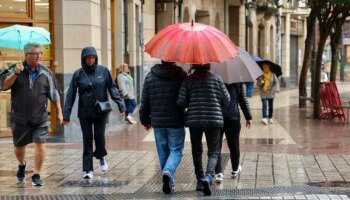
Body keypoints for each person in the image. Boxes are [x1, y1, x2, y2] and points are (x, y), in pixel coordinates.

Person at [0, 43, 63, 186]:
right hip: (20, 118)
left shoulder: (46, 72)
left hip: (40, 117)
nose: (39, 56)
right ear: (27, 55)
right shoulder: (14, 69)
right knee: (18, 147)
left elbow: (54, 94)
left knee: (40, 144)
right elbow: (3, 86)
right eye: (35, 54)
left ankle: (37, 174)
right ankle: (22, 165)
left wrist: (59, 112)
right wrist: (15, 73)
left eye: (41, 53)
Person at [63, 47, 126, 179]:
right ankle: (88, 169)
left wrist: (121, 106)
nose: (90, 60)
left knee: (99, 137)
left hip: (101, 111)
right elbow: (71, 95)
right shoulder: (78, 74)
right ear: (84, 59)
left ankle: (101, 156)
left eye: (92, 57)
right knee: (87, 140)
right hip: (84, 113)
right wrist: (66, 114)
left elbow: (112, 89)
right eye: (88, 58)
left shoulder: (103, 71)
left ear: (95, 58)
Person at [177, 64, 230, 196]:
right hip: (214, 119)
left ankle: (200, 180)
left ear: (193, 65)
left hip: (195, 120)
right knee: (213, 151)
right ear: (208, 65)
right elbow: (227, 99)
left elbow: (181, 102)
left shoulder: (188, 80)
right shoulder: (217, 79)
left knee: (197, 150)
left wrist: (192, 100)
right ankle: (208, 176)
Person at [139, 61, 187, 194]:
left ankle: (169, 181)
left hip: (158, 122)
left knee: (163, 152)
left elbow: (145, 101)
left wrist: (145, 119)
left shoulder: (150, 76)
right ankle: (168, 172)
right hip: (176, 120)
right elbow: (185, 98)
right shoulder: (180, 75)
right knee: (176, 150)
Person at [214, 83, 252, 183]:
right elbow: (242, 100)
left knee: (216, 146)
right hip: (233, 117)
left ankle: (218, 173)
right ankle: (235, 169)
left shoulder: (214, 79)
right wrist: (248, 117)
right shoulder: (236, 82)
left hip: (217, 117)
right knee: (234, 145)